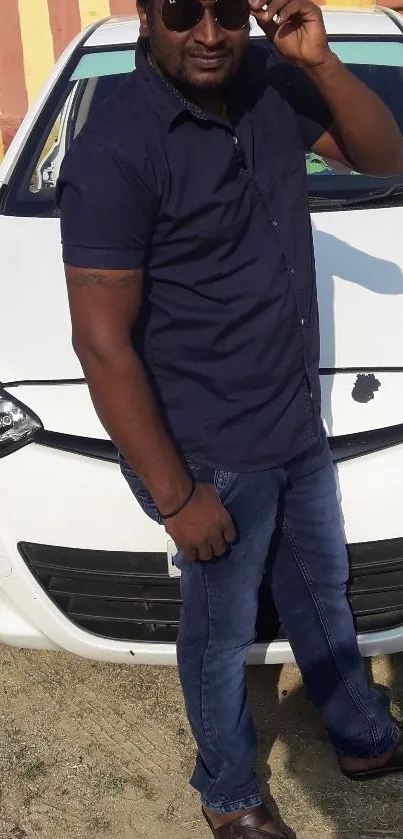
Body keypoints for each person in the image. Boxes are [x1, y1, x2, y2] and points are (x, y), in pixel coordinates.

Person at [58, 0, 403, 835]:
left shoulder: (268, 86)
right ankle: (228, 793)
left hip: (291, 414)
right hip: (206, 445)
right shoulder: (115, 148)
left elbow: (383, 154)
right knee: (218, 635)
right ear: (146, 17)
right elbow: (100, 345)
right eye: (181, 11)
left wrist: (316, 61)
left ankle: (361, 734)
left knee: (320, 589)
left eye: (222, 10)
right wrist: (177, 498)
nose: (205, 32)